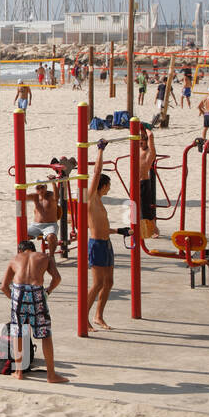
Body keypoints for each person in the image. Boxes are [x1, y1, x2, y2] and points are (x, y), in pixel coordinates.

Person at [0, 240, 67, 383]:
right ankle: (51, 375)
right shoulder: (44, 257)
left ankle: (18, 372)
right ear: (33, 250)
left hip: (18, 292)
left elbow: (4, 286)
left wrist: (14, 300)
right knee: (45, 334)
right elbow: (57, 278)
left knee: (18, 333)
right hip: (37, 292)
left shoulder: (14, 259)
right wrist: (47, 291)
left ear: (20, 251)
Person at [86, 140, 116, 330]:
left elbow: (103, 227)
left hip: (107, 243)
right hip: (96, 244)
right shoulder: (91, 198)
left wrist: (120, 231)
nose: (110, 188)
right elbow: (96, 173)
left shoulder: (101, 203)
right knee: (97, 284)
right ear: (103, 186)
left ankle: (98, 316)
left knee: (109, 282)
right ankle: (84, 315)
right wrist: (100, 150)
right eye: (108, 185)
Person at [26, 182, 61, 255]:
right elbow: (22, 196)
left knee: (51, 237)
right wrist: (23, 186)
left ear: (46, 187)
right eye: (38, 188)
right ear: (36, 189)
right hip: (36, 225)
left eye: (42, 187)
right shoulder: (35, 196)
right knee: (23, 235)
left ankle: (51, 256)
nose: (40, 190)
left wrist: (54, 183)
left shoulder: (51, 195)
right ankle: (28, 255)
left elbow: (57, 197)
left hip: (50, 225)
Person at [137, 128, 159, 239]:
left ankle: (155, 229)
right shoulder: (137, 150)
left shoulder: (149, 153)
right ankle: (135, 227)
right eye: (139, 140)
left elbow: (150, 136)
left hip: (143, 182)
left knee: (145, 208)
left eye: (142, 141)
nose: (140, 142)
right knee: (133, 205)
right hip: (134, 182)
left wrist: (144, 127)